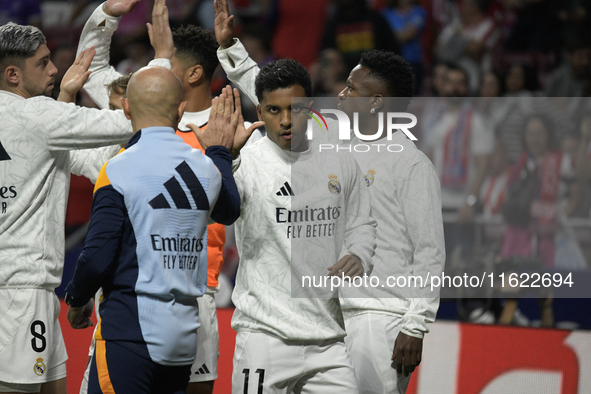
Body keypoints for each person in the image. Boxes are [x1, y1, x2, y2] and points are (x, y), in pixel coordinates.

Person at [214, 2, 445, 392]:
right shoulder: (331, 139)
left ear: (376, 102)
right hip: (332, 316)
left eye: (352, 88)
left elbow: (430, 252)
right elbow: (276, 97)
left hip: (381, 316)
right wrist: (231, 49)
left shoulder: (410, 163)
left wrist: (415, 324)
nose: (340, 93)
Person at [75, 1, 251, 392]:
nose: (154, 74)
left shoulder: (232, 130)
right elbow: (95, 78)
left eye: (165, 68)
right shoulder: (142, 124)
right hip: (137, 293)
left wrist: (232, 52)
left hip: (200, 295)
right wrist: (107, 15)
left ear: (191, 75)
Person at [0, 22, 133, 394]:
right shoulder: (37, 116)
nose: (55, 69)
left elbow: (47, 148)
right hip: (20, 293)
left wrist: (65, 97)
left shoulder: (29, 119)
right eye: (43, 63)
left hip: (24, 289)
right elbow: (130, 120)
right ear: (13, 74)